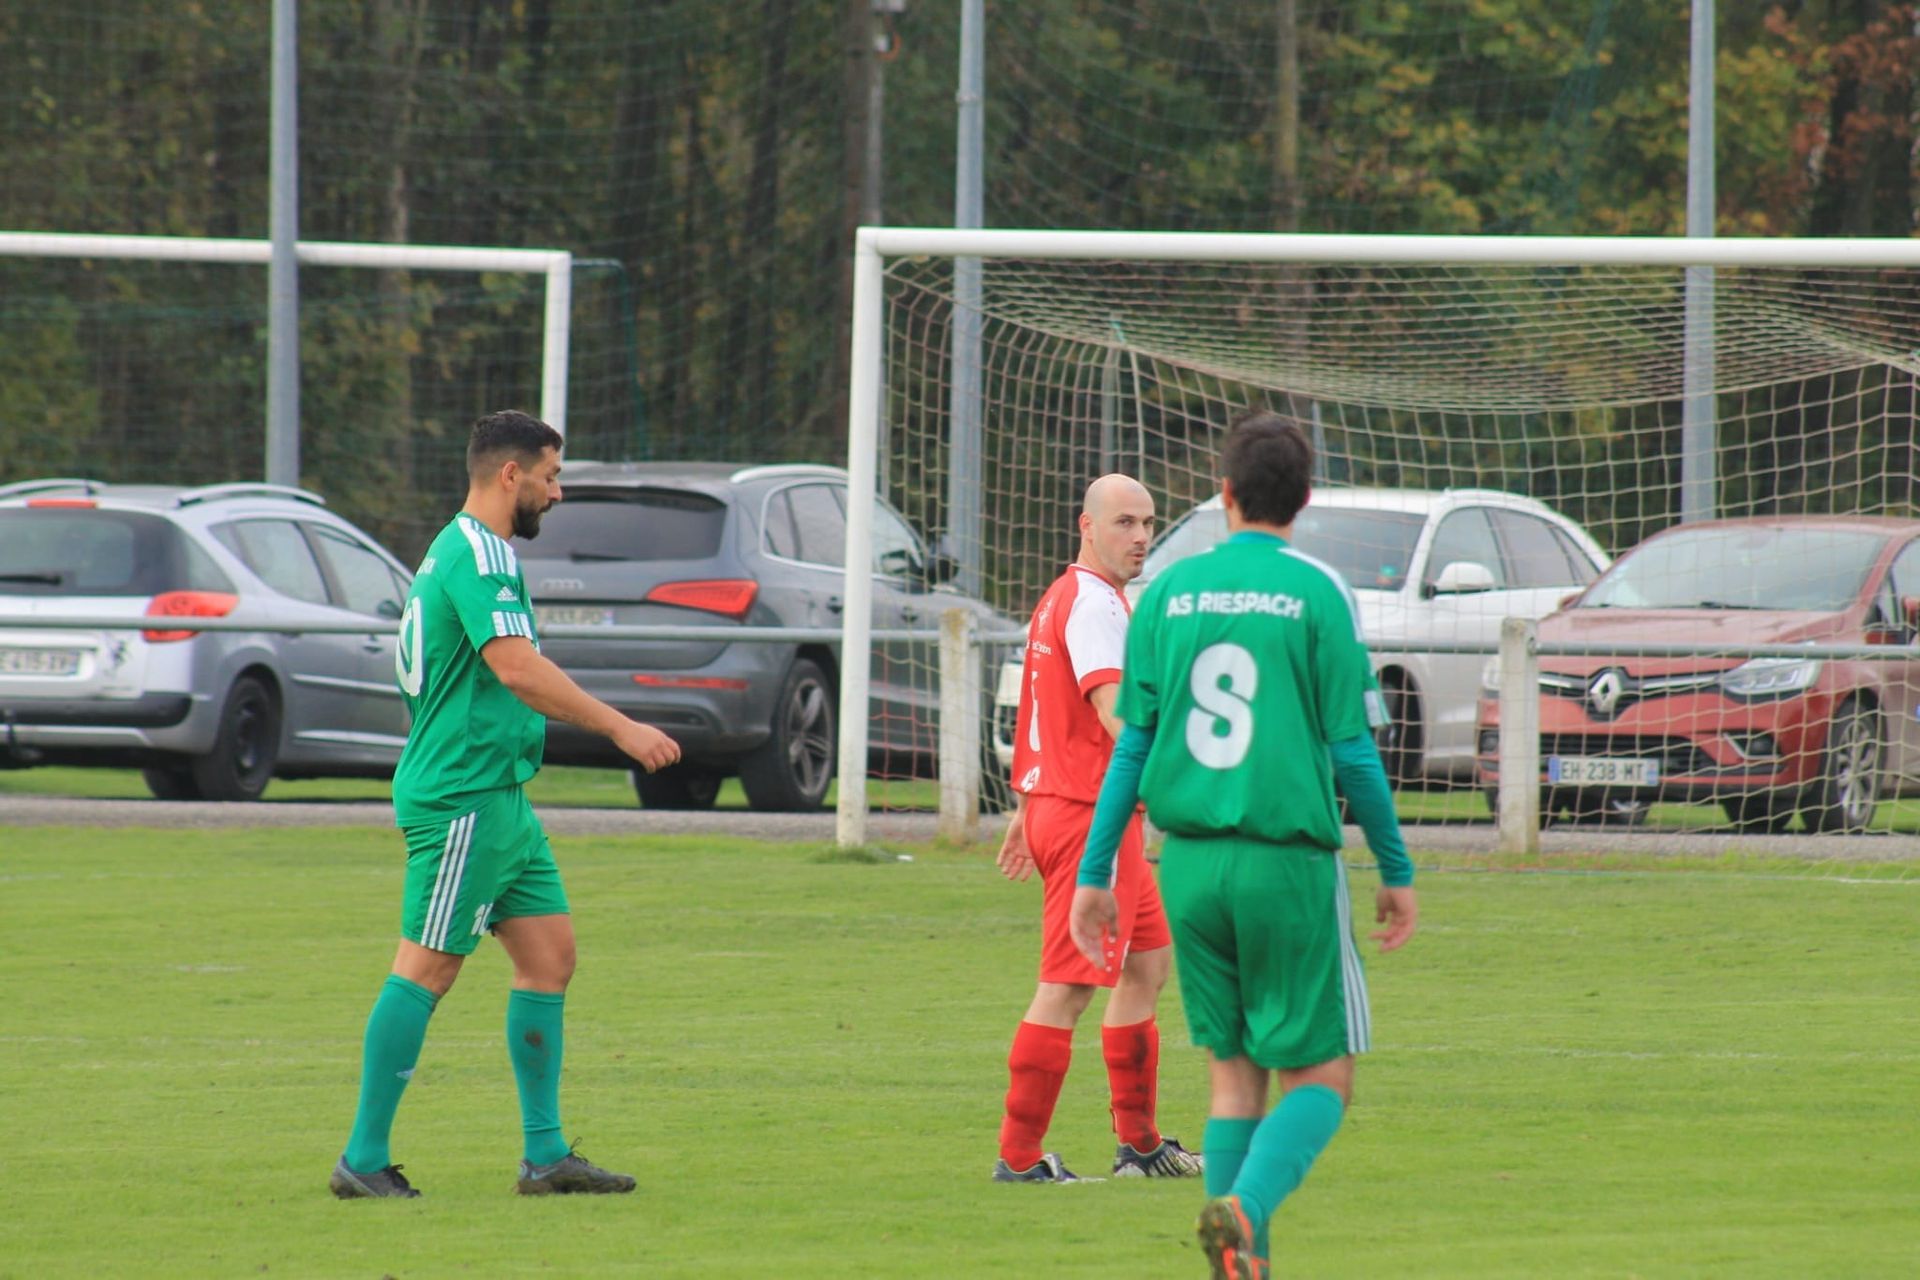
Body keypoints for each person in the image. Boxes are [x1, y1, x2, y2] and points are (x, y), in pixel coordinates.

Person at [1068, 411, 1417, 1277]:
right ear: (1304, 499)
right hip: (1284, 863)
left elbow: (1134, 748)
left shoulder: (1168, 594)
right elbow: (1352, 750)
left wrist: (1094, 872)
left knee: (1233, 1078)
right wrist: (1395, 867)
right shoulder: (1317, 592)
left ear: (1224, 493)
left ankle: (1239, 1265)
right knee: (1323, 1078)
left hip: (1187, 865)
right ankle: (1245, 1210)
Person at [330, 409, 682, 1200]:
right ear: (511, 474)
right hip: (464, 794)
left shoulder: (458, 547)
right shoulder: (480, 553)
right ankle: (362, 1158)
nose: (557, 494)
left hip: (500, 795)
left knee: (550, 957)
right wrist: (622, 728)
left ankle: (546, 1157)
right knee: (426, 966)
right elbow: (517, 669)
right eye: (551, 477)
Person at [991, 473, 1205, 1184]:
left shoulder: (1070, 595)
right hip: (1090, 819)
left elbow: (1046, 716)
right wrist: (1190, 782)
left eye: (1148, 523)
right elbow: (1117, 718)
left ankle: (1139, 1146)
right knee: (1068, 986)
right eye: (1124, 522)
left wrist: (1027, 807)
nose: (1140, 537)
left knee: (1147, 965)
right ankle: (1020, 1158)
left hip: (1073, 809)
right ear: (1086, 526)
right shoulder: (1091, 606)